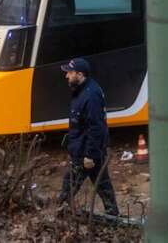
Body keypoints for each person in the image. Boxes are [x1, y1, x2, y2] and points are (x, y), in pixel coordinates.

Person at [57, 58, 119, 216]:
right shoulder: (81, 90)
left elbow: (95, 128)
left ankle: (58, 212)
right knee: (102, 184)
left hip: (86, 152)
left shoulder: (91, 96)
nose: (66, 76)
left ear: (80, 74)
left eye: (69, 73)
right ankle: (113, 214)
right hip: (84, 148)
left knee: (70, 183)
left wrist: (89, 155)